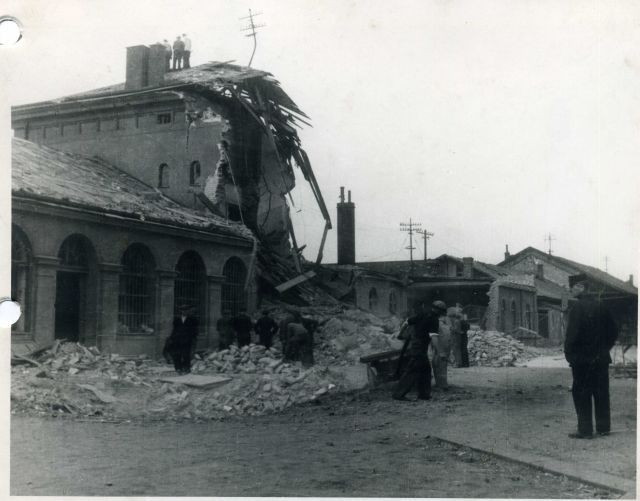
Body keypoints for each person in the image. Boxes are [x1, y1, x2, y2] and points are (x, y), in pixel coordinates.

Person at [565, 277, 618, 439]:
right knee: (601, 392)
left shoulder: (577, 308)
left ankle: (585, 430)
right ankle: (603, 428)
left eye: (573, 287)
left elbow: (572, 336)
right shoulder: (602, 306)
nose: (571, 290)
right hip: (601, 359)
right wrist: (603, 349)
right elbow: (614, 331)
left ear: (581, 287)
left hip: (582, 360)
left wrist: (570, 355)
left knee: (581, 393)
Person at [392, 300, 445, 401]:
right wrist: (440, 352)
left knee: (426, 370)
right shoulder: (434, 319)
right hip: (420, 348)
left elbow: (407, 322)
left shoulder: (422, 314)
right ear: (439, 311)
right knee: (412, 370)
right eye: (441, 312)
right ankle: (398, 394)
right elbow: (434, 338)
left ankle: (424, 395)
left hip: (416, 345)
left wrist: (401, 334)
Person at [165, 304, 199, 374]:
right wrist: (171, 338)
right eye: (183, 310)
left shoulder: (192, 319)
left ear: (188, 311)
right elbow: (174, 330)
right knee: (177, 355)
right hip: (177, 340)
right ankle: (178, 368)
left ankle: (186, 368)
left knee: (186, 354)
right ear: (180, 311)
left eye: (186, 310)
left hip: (187, 340)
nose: (184, 312)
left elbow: (195, 330)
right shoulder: (177, 319)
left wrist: (193, 338)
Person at [431, 301, 452, 390]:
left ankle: (443, 385)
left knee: (440, 365)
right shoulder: (444, 322)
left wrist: (441, 350)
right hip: (442, 346)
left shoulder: (440, 322)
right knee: (437, 364)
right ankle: (440, 383)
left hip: (441, 346)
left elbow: (436, 336)